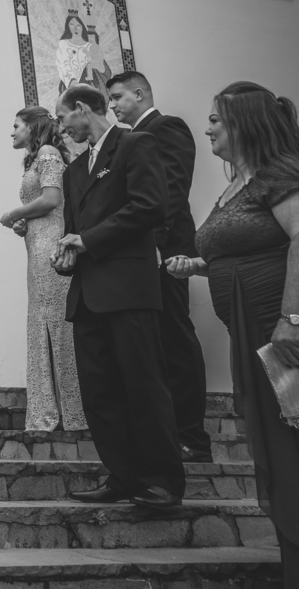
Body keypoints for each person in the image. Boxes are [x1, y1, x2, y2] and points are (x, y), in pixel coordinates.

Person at [166, 81, 299, 584]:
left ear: (243, 123)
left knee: (291, 441)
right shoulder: (233, 187)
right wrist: (199, 265)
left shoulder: (278, 174)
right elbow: (239, 251)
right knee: (276, 446)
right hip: (249, 333)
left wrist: (293, 319)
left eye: (215, 120)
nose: (207, 129)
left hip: (279, 333)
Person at [51, 83, 184, 509]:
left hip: (128, 288)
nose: (61, 128)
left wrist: (89, 240)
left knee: (143, 385)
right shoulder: (73, 171)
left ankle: (162, 480)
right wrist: (66, 255)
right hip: (86, 294)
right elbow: (73, 228)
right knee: (100, 393)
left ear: (83, 108)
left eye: (63, 118)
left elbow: (150, 206)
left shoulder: (135, 144)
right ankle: (122, 476)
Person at [107, 71, 211, 463]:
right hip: (137, 255)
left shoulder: (167, 127)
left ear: (139, 93)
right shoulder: (125, 140)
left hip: (165, 252)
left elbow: (171, 188)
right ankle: (164, 435)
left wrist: (154, 244)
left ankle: (193, 438)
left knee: (175, 337)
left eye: (117, 97)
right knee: (151, 344)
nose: (112, 105)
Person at [0, 107, 86, 433]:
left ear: (32, 127)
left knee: (56, 322)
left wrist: (14, 213)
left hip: (49, 249)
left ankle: (72, 411)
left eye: (16, 125)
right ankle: (51, 410)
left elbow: (51, 199)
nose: (12, 132)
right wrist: (24, 222)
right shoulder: (35, 159)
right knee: (42, 322)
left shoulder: (48, 152)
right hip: (36, 247)